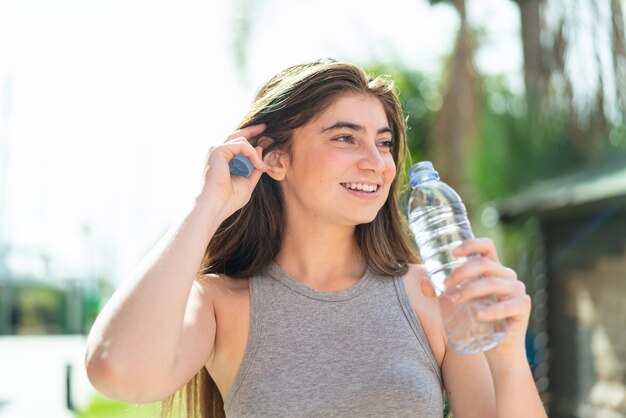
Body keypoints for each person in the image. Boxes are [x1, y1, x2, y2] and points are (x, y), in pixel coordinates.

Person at [84, 59, 547, 418]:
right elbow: (116, 370)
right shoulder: (222, 303)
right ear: (274, 159)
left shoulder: (431, 295)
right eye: (345, 138)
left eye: (384, 142)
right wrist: (208, 205)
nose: (377, 162)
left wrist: (507, 356)